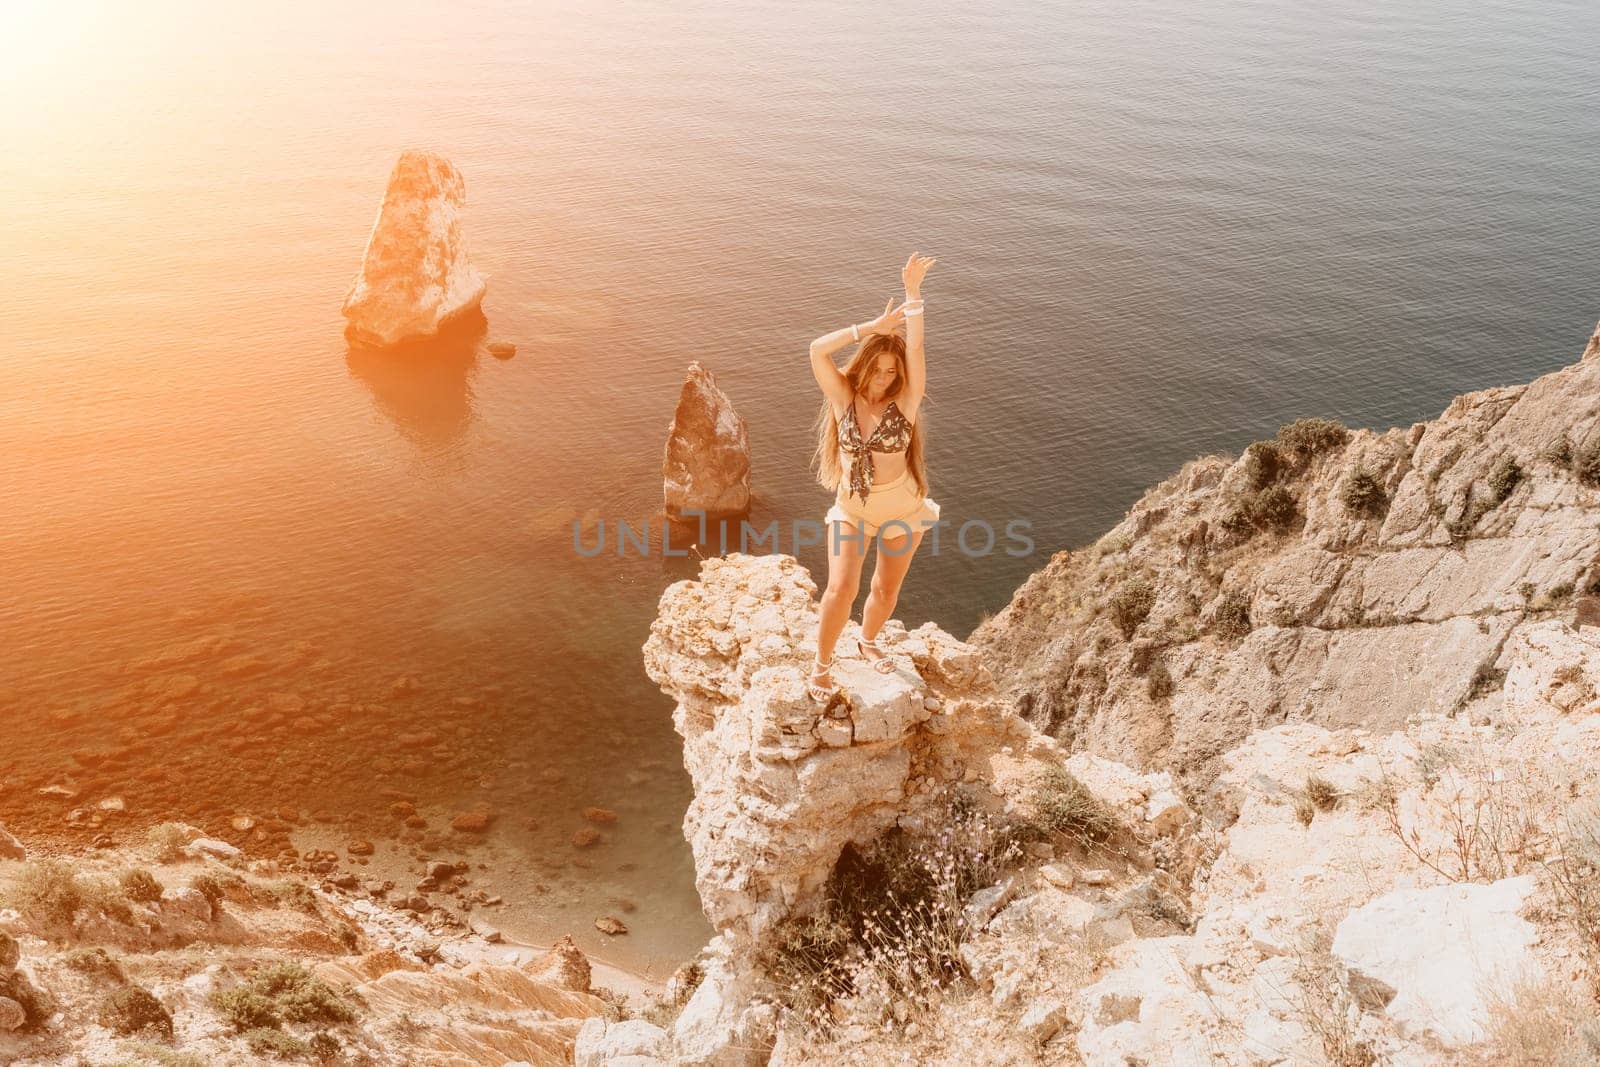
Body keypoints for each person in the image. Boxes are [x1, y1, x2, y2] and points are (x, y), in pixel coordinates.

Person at [805, 252, 939, 702]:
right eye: (877, 368)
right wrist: (870, 329)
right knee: (840, 588)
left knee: (884, 589)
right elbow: (816, 349)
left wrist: (913, 295)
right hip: (851, 509)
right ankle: (822, 666)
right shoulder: (843, 397)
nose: (884, 378)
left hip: (903, 509)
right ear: (863, 366)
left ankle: (867, 641)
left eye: (891, 372)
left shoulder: (905, 405)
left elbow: (916, 348)